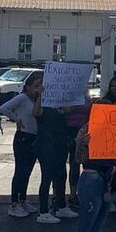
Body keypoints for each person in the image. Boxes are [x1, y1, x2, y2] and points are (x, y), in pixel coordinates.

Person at [72, 104, 116, 232]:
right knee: (85, 225)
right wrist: (83, 144)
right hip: (92, 179)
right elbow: (79, 159)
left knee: (98, 226)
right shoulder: (86, 129)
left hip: (107, 181)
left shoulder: (114, 129)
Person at [32, 84, 78, 224]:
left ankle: (61, 205)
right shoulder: (42, 105)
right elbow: (36, 113)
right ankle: (43, 211)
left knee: (61, 174)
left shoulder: (59, 106)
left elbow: (69, 110)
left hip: (60, 143)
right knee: (47, 176)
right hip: (46, 143)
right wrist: (40, 95)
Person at [0, 72, 43, 218]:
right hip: (23, 137)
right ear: (28, 87)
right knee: (20, 170)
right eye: (36, 86)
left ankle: (23, 200)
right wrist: (16, 119)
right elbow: (4, 108)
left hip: (34, 137)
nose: (38, 89)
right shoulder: (22, 98)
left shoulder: (37, 100)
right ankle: (14, 204)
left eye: (40, 86)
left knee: (28, 170)